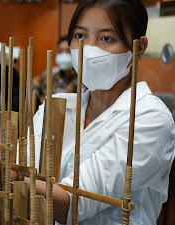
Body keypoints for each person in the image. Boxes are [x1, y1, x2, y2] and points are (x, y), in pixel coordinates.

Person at [27, 0, 175, 224]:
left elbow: (74, 203)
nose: (89, 50)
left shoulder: (150, 119)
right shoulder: (57, 105)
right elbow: (23, 166)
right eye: (80, 36)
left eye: (107, 38)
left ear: (140, 47)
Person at [34, 35, 78, 103]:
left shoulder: (81, 78)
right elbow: (35, 88)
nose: (64, 54)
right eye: (60, 51)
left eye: (68, 50)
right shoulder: (49, 74)